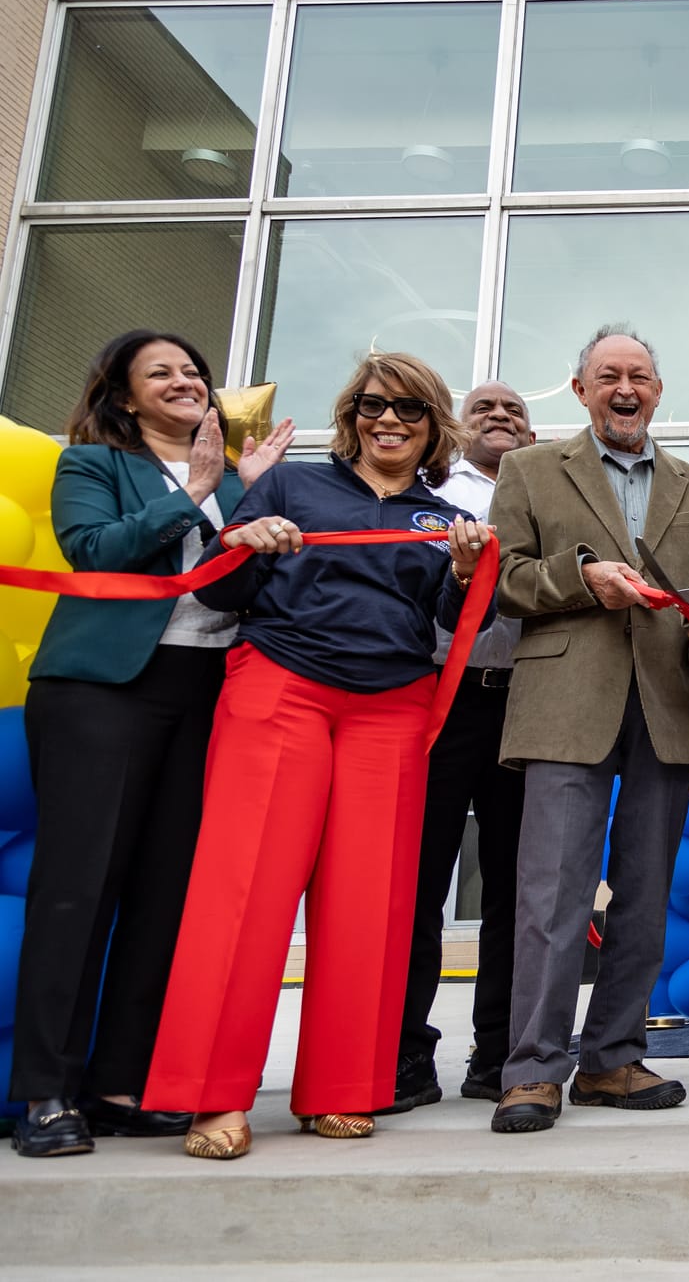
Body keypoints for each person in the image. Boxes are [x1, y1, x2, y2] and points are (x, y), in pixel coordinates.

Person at [143, 352, 488, 1160]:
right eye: (373, 405)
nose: (389, 420)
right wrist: (247, 539)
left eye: (408, 408)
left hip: (391, 708)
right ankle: (213, 1097)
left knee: (372, 902)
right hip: (282, 688)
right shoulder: (293, 487)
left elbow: (443, 617)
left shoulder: (440, 517)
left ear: (433, 423)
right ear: (351, 416)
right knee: (245, 890)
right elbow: (218, 592)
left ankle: (340, 1087)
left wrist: (466, 572)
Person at [9, 331, 289, 1158]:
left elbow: (240, 592)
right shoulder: (91, 464)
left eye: (193, 370)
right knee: (79, 888)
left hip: (203, 692)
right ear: (125, 398)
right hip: (101, 690)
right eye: (160, 372)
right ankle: (47, 1092)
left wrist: (249, 506)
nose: (184, 380)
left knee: (168, 894)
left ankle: (121, 1082)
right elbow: (94, 553)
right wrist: (193, 490)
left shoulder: (235, 482)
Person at [485, 325, 689, 1135]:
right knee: (550, 894)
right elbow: (504, 579)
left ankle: (612, 1058)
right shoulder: (528, 470)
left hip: (667, 698)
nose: (624, 388)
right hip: (567, 702)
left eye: (639, 375)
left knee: (646, 895)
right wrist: (582, 577)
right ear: (580, 387)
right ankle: (531, 1069)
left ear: (657, 392)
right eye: (608, 376)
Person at [388, 382, 536, 1112]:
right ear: (455, 426)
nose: (502, 417)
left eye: (515, 411)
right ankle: (405, 1053)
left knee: (511, 886)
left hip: (521, 703)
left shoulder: (547, 491)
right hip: (439, 700)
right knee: (418, 881)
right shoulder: (429, 492)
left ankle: (499, 1052)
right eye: (486, 409)